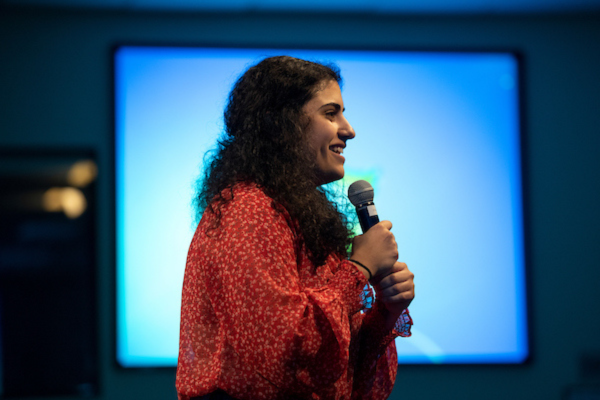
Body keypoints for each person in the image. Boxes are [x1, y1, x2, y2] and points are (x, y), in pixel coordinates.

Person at [176, 56, 415, 400]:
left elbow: (334, 369)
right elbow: (282, 349)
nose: (348, 130)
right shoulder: (248, 210)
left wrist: (386, 310)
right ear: (281, 124)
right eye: (331, 113)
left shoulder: (299, 216)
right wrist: (359, 268)